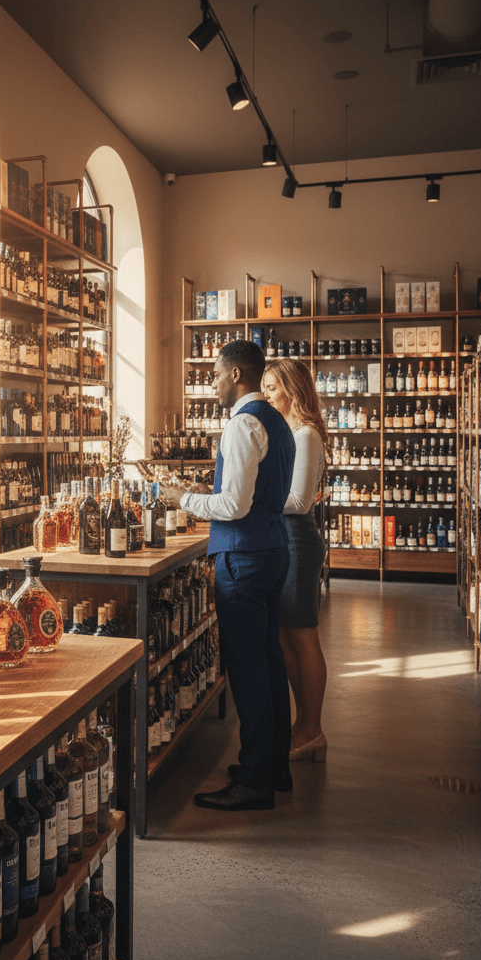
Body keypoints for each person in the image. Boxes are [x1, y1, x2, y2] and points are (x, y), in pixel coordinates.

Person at [162, 340, 295, 811]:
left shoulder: (242, 424)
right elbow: (259, 493)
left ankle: (256, 781)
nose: (212, 382)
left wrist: (184, 499)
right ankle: (275, 765)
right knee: (268, 660)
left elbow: (234, 507)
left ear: (237, 374)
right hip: (274, 549)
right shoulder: (278, 421)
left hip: (243, 557)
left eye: (216, 374)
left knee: (247, 669)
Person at [261, 358, 329, 763]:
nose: (266, 395)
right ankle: (301, 723)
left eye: (271, 388)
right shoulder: (286, 433)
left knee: (304, 637)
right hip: (281, 539)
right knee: (286, 637)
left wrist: (251, 502)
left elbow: (299, 501)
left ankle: (313, 729)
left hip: (297, 542)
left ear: (291, 389)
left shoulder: (305, 435)